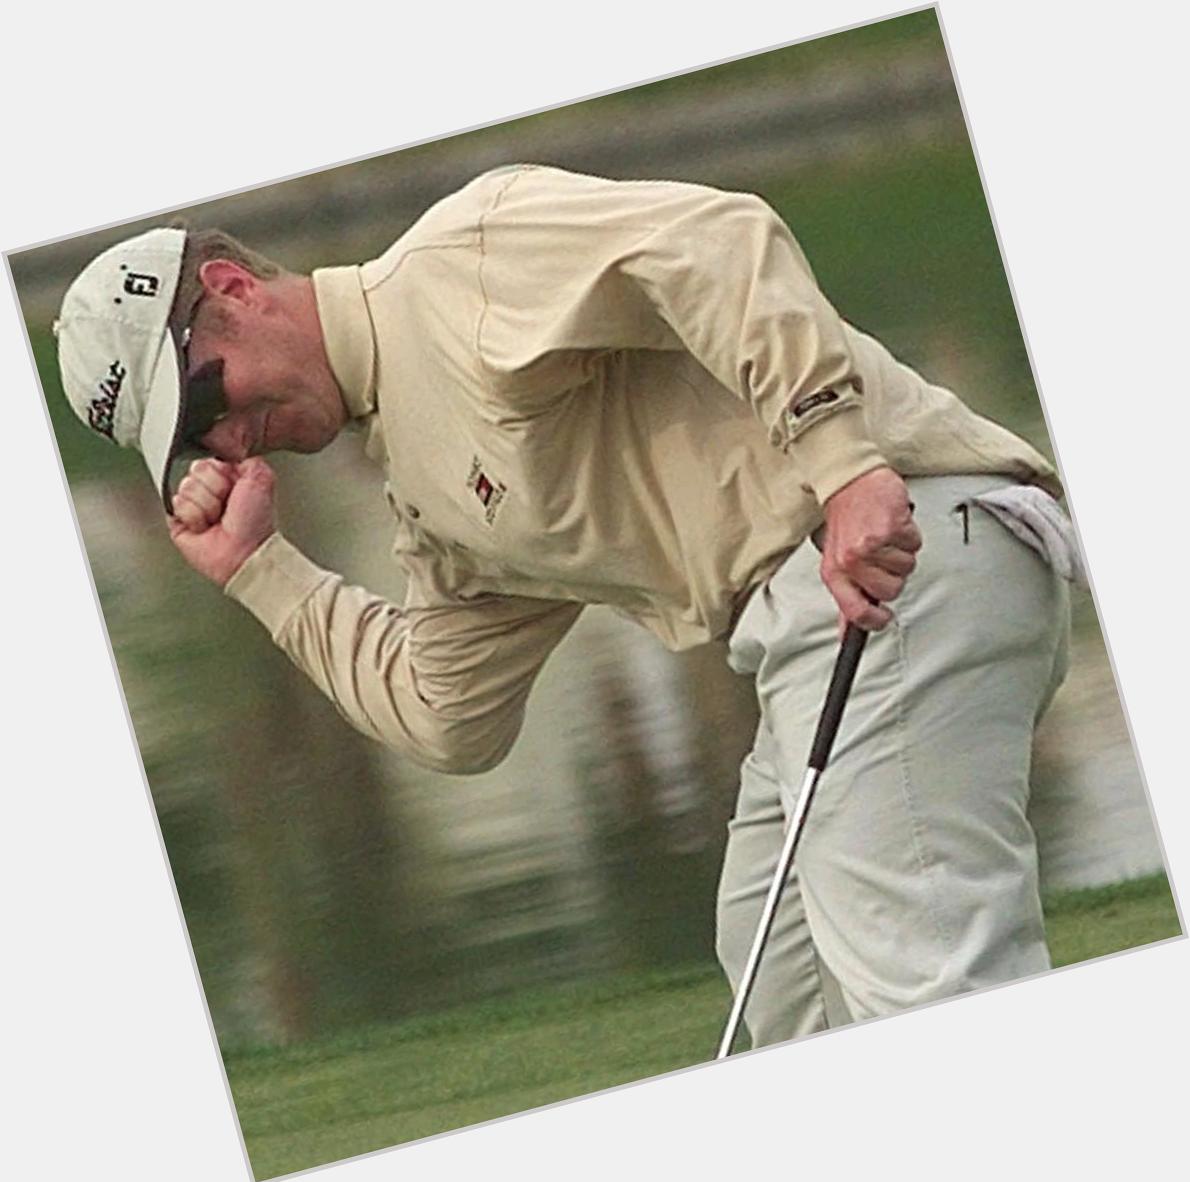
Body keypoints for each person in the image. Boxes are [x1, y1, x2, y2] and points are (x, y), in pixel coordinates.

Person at [54, 163, 1075, 1047]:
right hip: (817, 622)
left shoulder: (458, 261)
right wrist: (258, 570)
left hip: (892, 551)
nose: (227, 443)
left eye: (203, 400)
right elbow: (448, 715)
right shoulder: (422, 488)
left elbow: (714, 241)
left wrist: (841, 462)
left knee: (927, 991)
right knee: (785, 989)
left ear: (232, 290)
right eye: (195, 443)